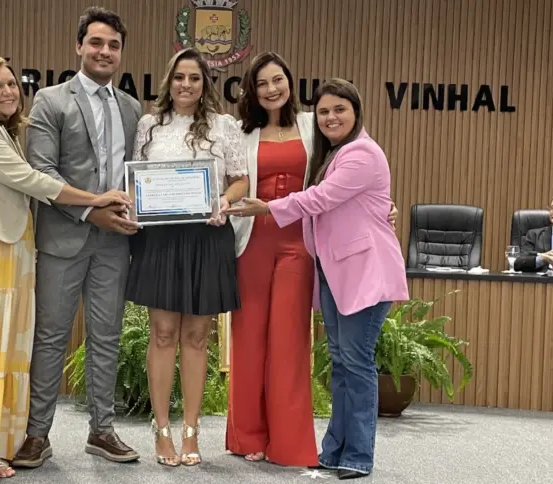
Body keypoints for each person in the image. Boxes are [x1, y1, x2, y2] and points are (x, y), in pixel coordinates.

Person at [0, 54, 130, 483]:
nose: (8, 92)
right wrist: (95, 200)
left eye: (12, 84)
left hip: (11, 248)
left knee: (2, 349)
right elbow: (31, 180)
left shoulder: (6, 131)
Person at [226, 78, 409, 480]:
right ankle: (334, 449)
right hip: (336, 271)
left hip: (364, 273)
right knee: (342, 363)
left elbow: (320, 199)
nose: (330, 118)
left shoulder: (361, 152)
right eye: (324, 111)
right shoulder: (334, 153)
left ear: (357, 111)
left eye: (339, 109)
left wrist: (268, 208)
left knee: (356, 364)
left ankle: (357, 455)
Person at [13, 7, 142, 468]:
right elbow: (42, 172)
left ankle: (102, 431)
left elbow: (136, 174)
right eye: (97, 42)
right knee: (50, 337)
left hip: (114, 243)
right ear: (79, 46)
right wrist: (92, 211)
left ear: (121, 52)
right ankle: (37, 434)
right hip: (63, 239)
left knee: (106, 337)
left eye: (113, 45)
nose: (105, 51)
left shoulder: (132, 108)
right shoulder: (50, 101)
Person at [127, 47, 248, 467]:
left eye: (195, 78)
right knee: (162, 333)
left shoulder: (224, 125)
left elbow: (240, 180)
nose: (186, 84)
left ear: (205, 84)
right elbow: (137, 180)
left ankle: (191, 431)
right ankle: (162, 431)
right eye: (180, 76)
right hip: (160, 240)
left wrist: (224, 200)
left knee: (196, 336)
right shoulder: (149, 125)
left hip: (207, 237)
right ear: (169, 80)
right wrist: (136, 202)